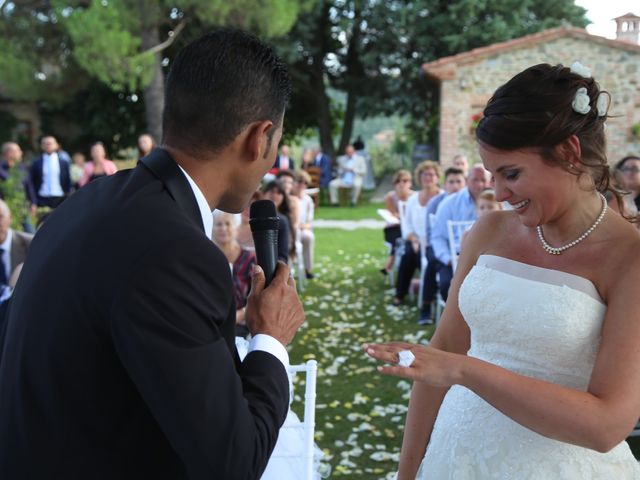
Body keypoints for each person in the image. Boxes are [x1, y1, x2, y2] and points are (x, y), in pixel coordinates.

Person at [0, 28, 305, 479]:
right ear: (259, 138)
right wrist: (271, 339)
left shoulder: (88, 201)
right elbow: (234, 461)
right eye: (277, 142)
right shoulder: (178, 255)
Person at [364, 62, 640, 479]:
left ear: (569, 152)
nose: (499, 193)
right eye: (492, 175)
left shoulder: (628, 258)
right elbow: (442, 353)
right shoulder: (489, 231)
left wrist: (465, 371)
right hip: (454, 456)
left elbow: (607, 425)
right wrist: (407, 472)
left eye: (511, 173)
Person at [429, 163, 490, 302]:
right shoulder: (449, 203)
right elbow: (438, 237)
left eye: (483, 180)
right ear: (467, 180)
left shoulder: (497, 203)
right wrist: (449, 259)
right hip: (454, 257)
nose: (480, 184)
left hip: (486, 260)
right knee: (447, 285)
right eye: (475, 179)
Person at [419, 167, 466, 323]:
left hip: (460, 249)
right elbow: (431, 233)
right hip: (435, 244)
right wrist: (446, 256)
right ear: (445, 184)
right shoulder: (436, 203)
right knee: (433, 261)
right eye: (451, 182)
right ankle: (426, 306)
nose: (455, 186)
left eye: (458, 181)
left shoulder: (469, 202)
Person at [392, 162, 442, 307]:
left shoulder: (443, 198)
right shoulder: (413, 199)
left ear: (437, 177)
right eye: (424, 174)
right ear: (419, 177)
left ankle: (427, 293)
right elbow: (406, 224)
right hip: (415, 240)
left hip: (434, 242)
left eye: (431, 174)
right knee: (408, 254)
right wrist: (414, 240)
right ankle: (400, 294)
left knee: (420, 256)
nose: (428, 177)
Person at [212, 211, 256, 338]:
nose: (223, 228)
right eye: (218, 224)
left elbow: (257, 298)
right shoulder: (208, 259)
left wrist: (239, 315)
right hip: (214, 321)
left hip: (242, 323)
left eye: (227, 224)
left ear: (236, 228)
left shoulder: (249, 259)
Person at [380, 169, 414, 276]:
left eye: (405, 181)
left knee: (402, 237)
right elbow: (393, 215)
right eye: (398, 181)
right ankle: (392, 264)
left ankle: (389, 264)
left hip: (410, 228)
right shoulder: (390, 197)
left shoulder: (415, 197)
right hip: (394, 227)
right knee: (398, 238)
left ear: (410, 183)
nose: (401, 184)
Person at [0, 142, 37, 229]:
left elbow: (29, 187)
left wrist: (33, 203)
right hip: (4, 208)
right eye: (18, 151)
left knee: (30, 232)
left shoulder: (23, 168)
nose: (21, 153)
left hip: (22, 208)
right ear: (9, 153)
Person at [29, 135, 72, 208]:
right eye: (44, 143)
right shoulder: (36, 163)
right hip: (41, 198)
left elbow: (68, 181)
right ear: (41, 146)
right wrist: (34, 201)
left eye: (50, 143)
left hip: (60, 198)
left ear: (56, 145)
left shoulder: (64, 163)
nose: (47, 145)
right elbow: (32, 182)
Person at [263, 180, 292, 263]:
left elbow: (283, 255)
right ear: (264, 193)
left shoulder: (282, 221)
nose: (274, 195)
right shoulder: (251, 214)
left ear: (283, 197)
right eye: (272, 191)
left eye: (278, 193)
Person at [293, 170, 316, 279]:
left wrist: (302, 226)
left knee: (308, 237)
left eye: (305, 182)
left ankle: (308, 268)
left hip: (302, 228)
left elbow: (309, 222)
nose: (302, 185)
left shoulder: (308, 200)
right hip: (291, 229)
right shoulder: (289, 197)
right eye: (299, 181)